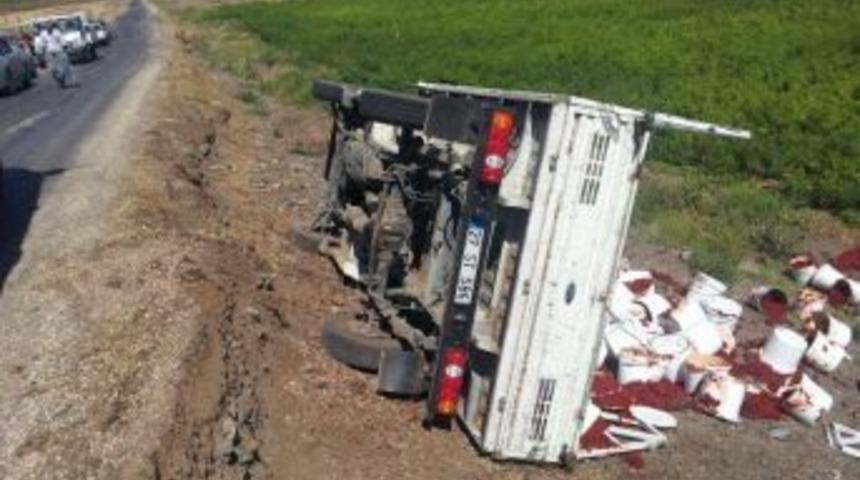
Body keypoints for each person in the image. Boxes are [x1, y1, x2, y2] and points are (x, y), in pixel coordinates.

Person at [46, 24, 75, 88]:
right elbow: (63, 43)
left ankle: (60, 79)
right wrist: (66, 49)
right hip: (57, 51)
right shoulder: (56, 32)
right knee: (64, 66)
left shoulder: (49, 33)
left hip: (51, 52)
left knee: (56, 67)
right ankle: (62, 78)